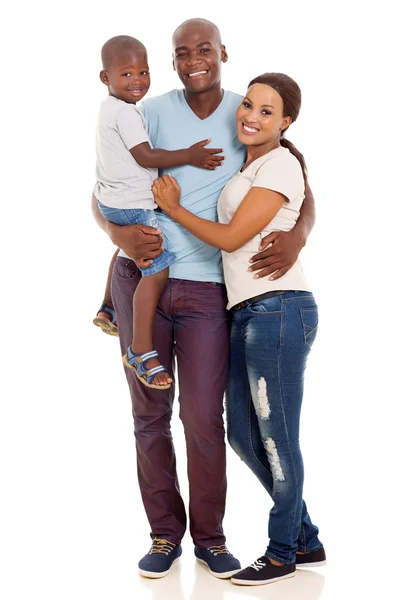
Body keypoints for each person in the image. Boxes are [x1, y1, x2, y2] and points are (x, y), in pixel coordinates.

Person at [91, 19, 316, 580]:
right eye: (183, 53)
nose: (196, 60)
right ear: (173, 62)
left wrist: (299, 233)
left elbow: (299, 182)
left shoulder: (250, 111)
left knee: (202, 419)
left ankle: (210, 539)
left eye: (206, 51)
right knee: (149, 416)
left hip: (208, 291)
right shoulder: (144, 109)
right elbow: (104, 187)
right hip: (140, 277)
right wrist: (116, 234)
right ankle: (164, 534)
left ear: (222, 53)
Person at [153, 72, 325, 586]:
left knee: (277, 437)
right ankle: (307, 536)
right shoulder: (251, 160)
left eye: (267, 111)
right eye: (248, 104)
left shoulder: (280, 163)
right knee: (245, 435)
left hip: (279, 311)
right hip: (246, 311)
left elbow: (231, 238)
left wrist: (175, 208)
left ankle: (282, 552)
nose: (250, 115)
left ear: (286, 122)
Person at [93, 35, 224, 388]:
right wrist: (189, 156)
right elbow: (146, 157)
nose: (137, 81)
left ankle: (108, 308)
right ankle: (140, 349)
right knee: (155, 272)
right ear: (106, 78)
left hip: (115, 201)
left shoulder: (110, 108)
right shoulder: (130, 113)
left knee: (125, 249)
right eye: (127, 74)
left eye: (143, 72)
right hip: (131, 205)